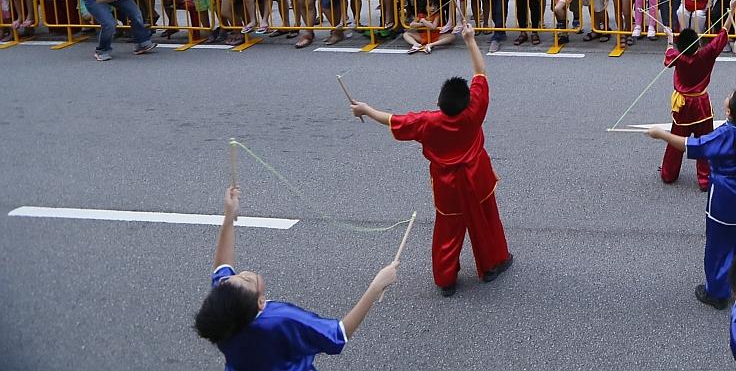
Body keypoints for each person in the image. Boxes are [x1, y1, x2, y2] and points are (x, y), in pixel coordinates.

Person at [349, 25, 513, 296]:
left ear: (440, 103)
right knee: (485, 219)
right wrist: (470, 40)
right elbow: (480, 73)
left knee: (448, 230)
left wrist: (366, 109)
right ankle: (492, 264)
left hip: (448, 184)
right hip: (477, 175)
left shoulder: (428, 122)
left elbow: (391, 120)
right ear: (467, 99)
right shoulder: (475, 109)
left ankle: (446, 279)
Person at [194, 185, 399, 370]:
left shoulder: (224, 314)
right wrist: (375, 287)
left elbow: (221, 268)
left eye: (236, 276)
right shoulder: (281, 319)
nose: (243, 273)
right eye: (247, 279)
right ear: (261, 302)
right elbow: (339, 335)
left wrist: (229, 216)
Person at [647, 31, 736, 309]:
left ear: (730, 111)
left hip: (724, 200)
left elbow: (687, 144)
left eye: (730, 98)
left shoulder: (722, 136)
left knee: (718, 248)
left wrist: (660, 134)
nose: (730, 95)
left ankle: (717, 292)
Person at [659, 0, 734, 189]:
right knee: (705, 141)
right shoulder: (706, 53)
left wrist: (669, 39)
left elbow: (667, 59)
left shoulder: (679, 57)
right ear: (698, 42)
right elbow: (722, 35)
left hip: (683, 105)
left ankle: (669, 173)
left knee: (676, 140)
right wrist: (731, 10)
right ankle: (705, 178)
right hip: (701, 103)